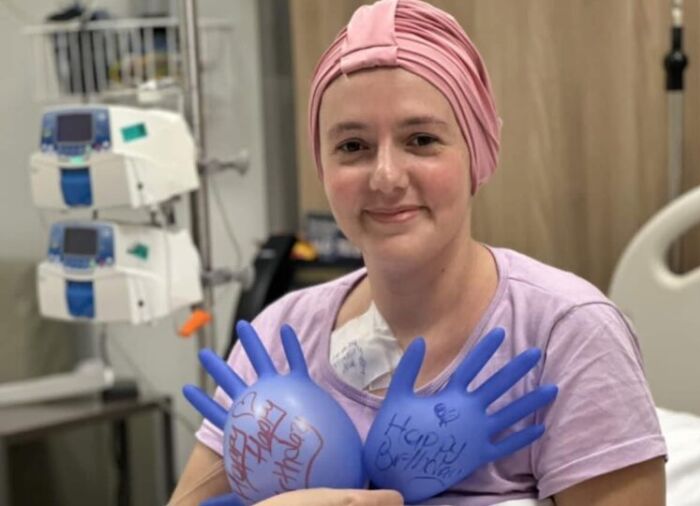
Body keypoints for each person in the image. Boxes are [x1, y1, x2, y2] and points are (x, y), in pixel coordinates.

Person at [169, 0, 667, 504]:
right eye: (352, 146)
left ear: (479, 152)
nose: (386, 177)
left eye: (422, 139)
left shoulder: (566, 334)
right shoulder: (280, 337)